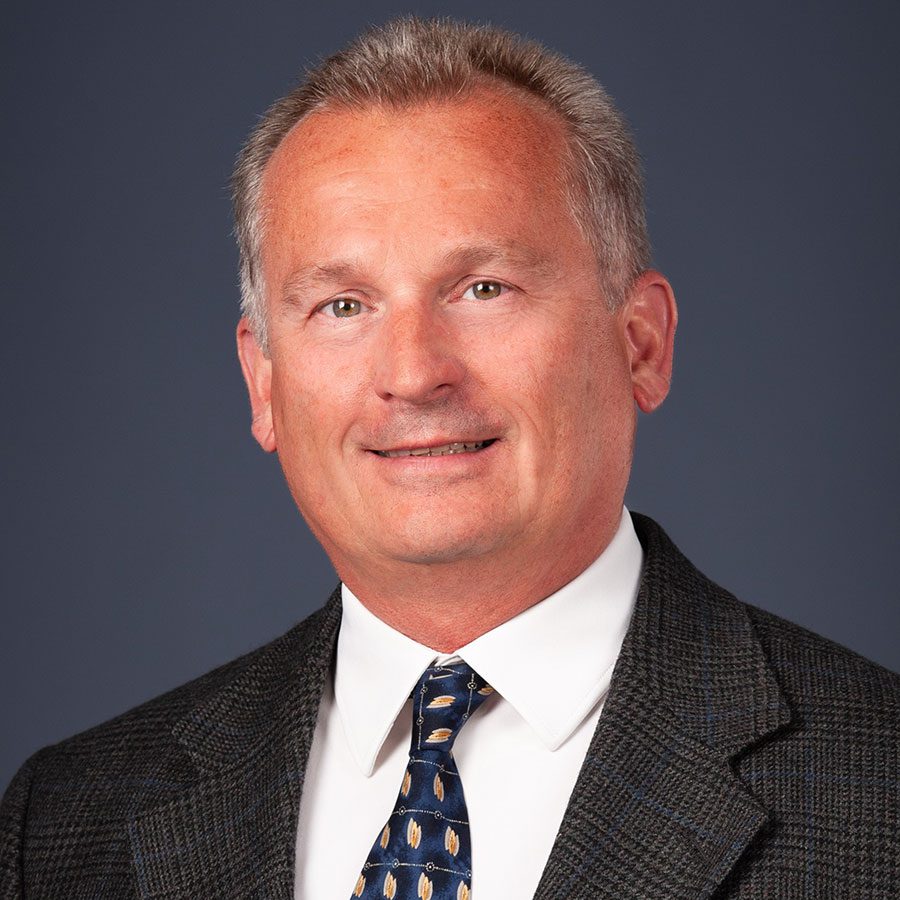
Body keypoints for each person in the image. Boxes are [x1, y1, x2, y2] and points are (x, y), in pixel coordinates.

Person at [1, 16, 897, 899]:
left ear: (642, 345)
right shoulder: (65, 825)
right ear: (263, 384)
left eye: (484, 288)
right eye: (343, 305)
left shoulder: (878, 793)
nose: (414, 373)